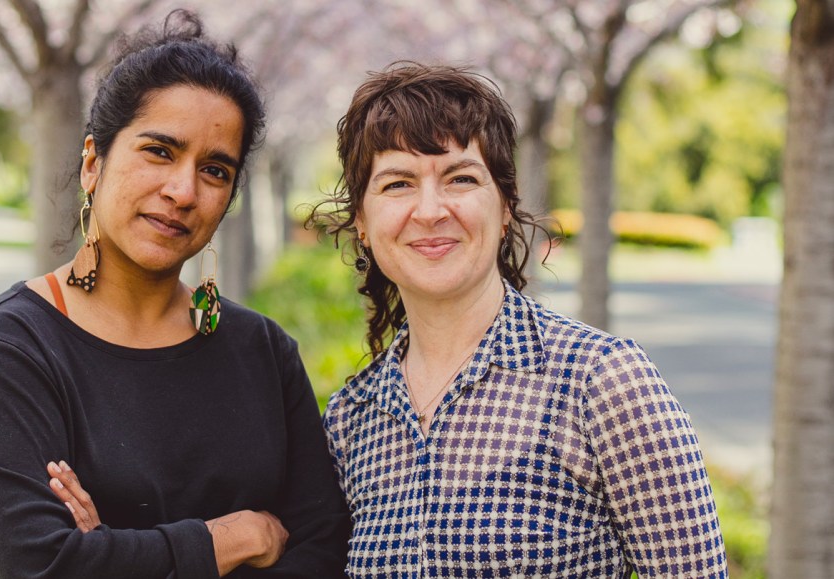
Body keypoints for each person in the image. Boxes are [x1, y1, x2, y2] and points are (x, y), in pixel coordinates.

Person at [0, 11, 350, 578]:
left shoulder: (262, 351)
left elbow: (324, 548)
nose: (183, 191)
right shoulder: (11, 350)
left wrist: (112, 552)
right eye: (159, 151)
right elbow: (46, 566)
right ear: (93, 164)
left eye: (214, 170)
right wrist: (233, 539)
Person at [311, 63, 728, 577]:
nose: (430, 209)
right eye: (397, 183)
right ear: (364, 225)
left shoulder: (602, 383)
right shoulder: (351, 420)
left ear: (505, 204)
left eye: (460, 178)